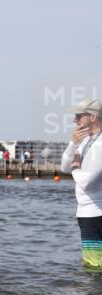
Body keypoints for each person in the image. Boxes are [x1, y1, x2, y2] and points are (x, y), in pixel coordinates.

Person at [60, 99, 102, 272]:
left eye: (78, 116)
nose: (74, 120)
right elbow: (63, 167)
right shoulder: (87, 141)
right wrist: (72, 144)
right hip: (87, 213)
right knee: (92, 265)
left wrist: (75, 166)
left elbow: (87, 182)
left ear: (92, 117)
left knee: (95, 268)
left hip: (96, 214)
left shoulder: (100, 144)